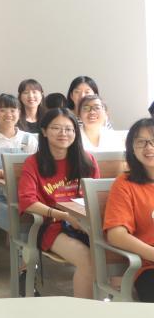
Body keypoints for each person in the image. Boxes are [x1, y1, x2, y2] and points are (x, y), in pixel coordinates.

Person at [19, 108, 99, 298]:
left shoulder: (87, 160)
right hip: (51, 226)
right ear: (44, 131)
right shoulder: (33, 162)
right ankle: (85, 313)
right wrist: (64, 216)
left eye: (69, 129)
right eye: (56, 128)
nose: (63, 133)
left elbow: (96, 198)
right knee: (88, 260)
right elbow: (27, 201)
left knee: (113, 254)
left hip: (86, 223)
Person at [104, 117, 154, 302]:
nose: (149, 147)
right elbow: (116, 235)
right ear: (132, 148)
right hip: (149, 267)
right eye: (141, 142)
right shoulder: (125, 184)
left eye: (153, 140)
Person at [0, 94, 38, 233]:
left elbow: (38, 168)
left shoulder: (28, 139)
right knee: (21, 222)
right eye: (2, 110)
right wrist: (7, 174)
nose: (8, 114)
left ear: (19, 113)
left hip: (24, 198)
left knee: (42, 221)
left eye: (13, 110)